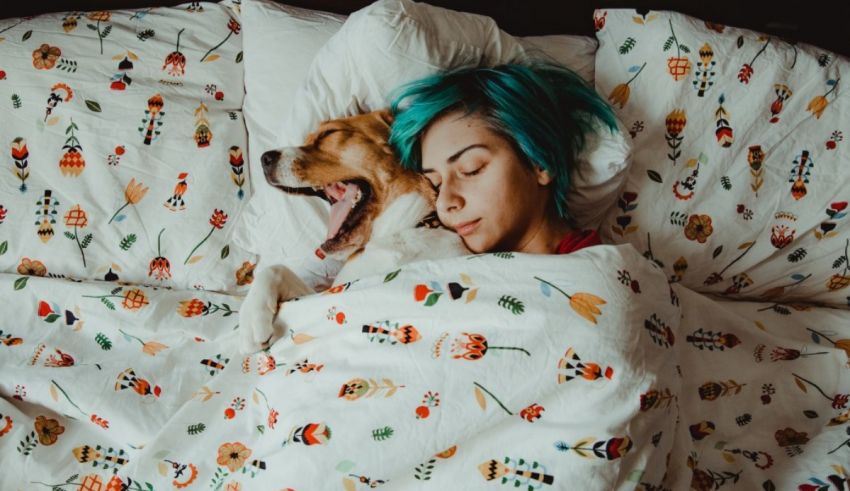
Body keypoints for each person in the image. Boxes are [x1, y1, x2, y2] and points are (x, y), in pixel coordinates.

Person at [388, 61, 619, 255]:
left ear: (540, 162)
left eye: (471, 169)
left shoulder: (597, 276)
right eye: (436, 185)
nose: (445, 202)